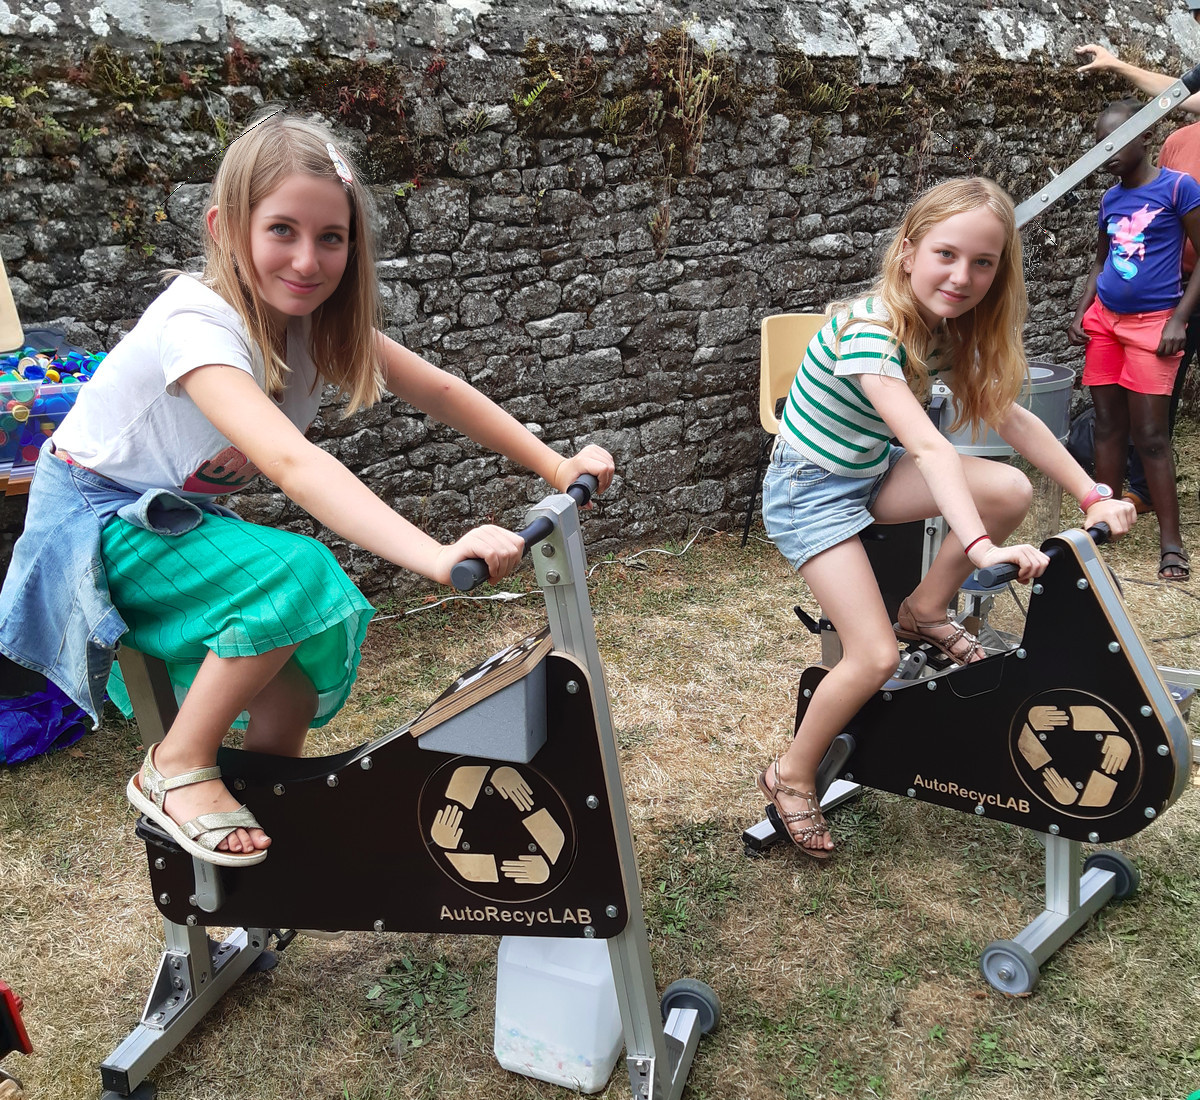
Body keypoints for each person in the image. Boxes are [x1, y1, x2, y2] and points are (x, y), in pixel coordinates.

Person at [0, 112, 614, 867]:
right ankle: (176, 765)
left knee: (287, 691)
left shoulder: (315, 326)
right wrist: (432, 553)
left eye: (331, 237)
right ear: (226, 229)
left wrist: (554, 465)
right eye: (282, 230)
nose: (307, 259)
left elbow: (441, 391)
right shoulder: (196, 324)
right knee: (296, 573)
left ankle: (263, 845)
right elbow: (292, 463)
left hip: (165, 520)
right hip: (88, 524)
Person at [758, 178, 1136, 859]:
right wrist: (982, 549)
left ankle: (926, 609)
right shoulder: (871, 330)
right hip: (808, 492)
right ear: (907, 252)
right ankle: (791, 773)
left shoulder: (945, 332)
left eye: (982, 263)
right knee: (873, 657)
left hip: (869, 473)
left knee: (1007, 488)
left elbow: (1010, 418)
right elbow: (930, 448)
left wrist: (1092, 494)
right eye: (946, 255)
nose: (962, 277)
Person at [1067, 99, 1200, 581]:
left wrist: (1179, 319)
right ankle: (1103, 525)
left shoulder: (1178, 188)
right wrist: (1082, 311)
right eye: (1101, 145)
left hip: (1154, 324)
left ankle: (1171, 545)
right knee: (1107, 426)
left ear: (1146, 137)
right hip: (1106, 323)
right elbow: (1101, 260)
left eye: (1118, 142)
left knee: (1150, 435)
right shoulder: (1110, 199)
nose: (1109, 153)